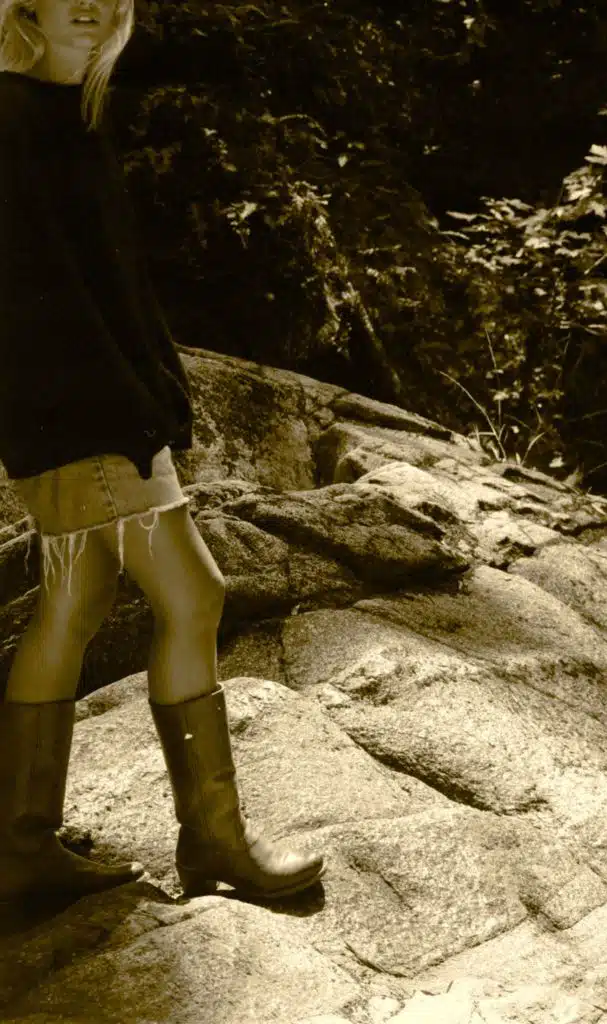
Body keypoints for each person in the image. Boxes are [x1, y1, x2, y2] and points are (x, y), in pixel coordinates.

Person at [0, 0, 324, 905]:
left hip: (85, 413)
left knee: (76, 600)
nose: (91, 6)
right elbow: (35, 296)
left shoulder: (71, 112)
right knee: (194, 594)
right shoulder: (12, 116)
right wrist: (127, 405)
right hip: (83, 416)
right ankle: (213, 841)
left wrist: (160, 379)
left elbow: (116, 280)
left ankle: (21, 847)